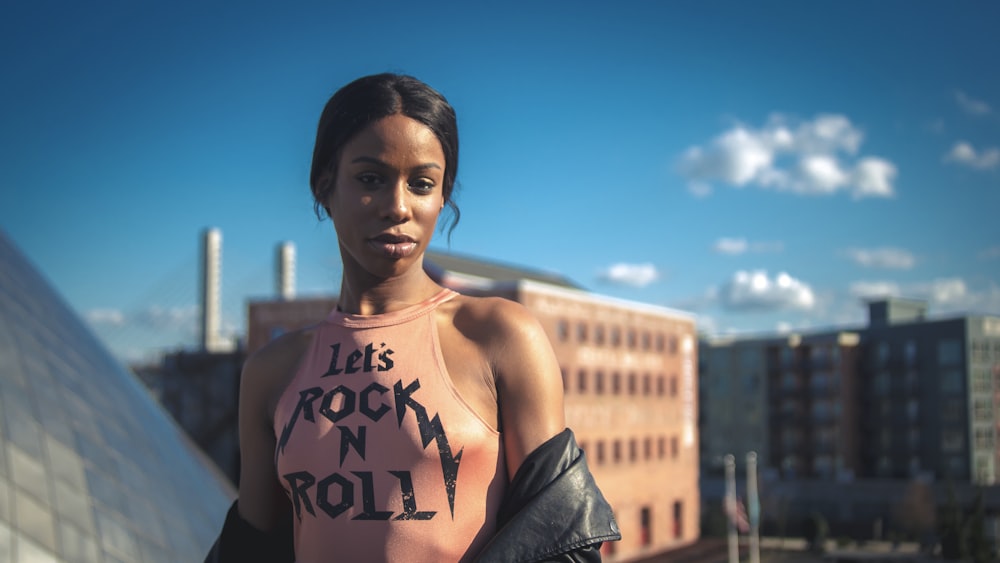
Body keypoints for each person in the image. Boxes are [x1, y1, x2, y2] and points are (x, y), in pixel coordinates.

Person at [205, 73, 619, 563]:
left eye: (421, 184)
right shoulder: (271, 371)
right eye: (370, 179)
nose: (397, 207)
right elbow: (251, 550)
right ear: (324, 187)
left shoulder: (499, 337)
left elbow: (559, 538)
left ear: (443, 197)